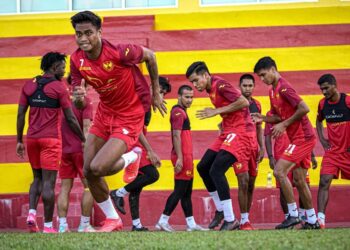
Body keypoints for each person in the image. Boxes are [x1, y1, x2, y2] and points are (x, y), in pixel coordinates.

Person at [70, 11, 166, 232]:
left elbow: (151, 56)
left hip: (130, 114)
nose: (83, 38)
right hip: (105, 113)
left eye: (88, 33)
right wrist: (78, 99)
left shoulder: (120, 52)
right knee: (88, 170)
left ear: (99, 32)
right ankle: (113, 219)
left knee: (99, 167)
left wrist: (156, 93)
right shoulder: (77, 60)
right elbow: (80, 104)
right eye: (78, 34)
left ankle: (134, 156)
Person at [16, 52, 85, 233]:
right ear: (54, 67)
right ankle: (48, 226)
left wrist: (19, 140)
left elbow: (20, 115)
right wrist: (83, 138)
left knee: (36, 178)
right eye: (62, 67)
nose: (64, 70)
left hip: (31, 139)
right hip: (51, 140)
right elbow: (70, 118)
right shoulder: (59, 87)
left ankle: (32, 214)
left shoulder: (29, 85)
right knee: (49, 183)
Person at [252, 56, 319, 229]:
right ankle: (312, 221)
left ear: (273, 70)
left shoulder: (284, 87)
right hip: (297, 138)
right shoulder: (272, 90)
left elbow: (305, 108)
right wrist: (264, 117)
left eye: (264, 75)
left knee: (279, 171)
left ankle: (293, 215)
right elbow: (278, 116)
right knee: (299, 179)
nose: (262, 79)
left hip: (304, 137)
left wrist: (284, 124)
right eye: (260, 76)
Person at [186, 62, 255, 231]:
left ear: (205, 75)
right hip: (228, 131)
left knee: (216, 170)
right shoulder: (211, 89)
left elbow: (244, 102)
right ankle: (221, 210)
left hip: (241, 132)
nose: (195, 86)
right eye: (192, 83)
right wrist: (222, 119)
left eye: (196, 81)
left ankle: (231, 219)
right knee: (203, 167)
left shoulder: (221, 85)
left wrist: (216, 111)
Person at [110, 77, 171, 231]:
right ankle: (118, 192)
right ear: (152, 87)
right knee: (152, 175)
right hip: (134, 142)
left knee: (136, 186)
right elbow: (136, 128)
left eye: (164, 94)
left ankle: (136, 225)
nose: (161, 96)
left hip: (135, 140)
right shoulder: (142, 102)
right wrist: (150, 150)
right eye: (160, 92)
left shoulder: (146, 104)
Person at [155, 85, 206, 232]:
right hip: (182, 157)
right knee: (179, 190)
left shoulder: (182, 111)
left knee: (187, 192)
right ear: (179, 97)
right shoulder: (178, 112)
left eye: (191, 97)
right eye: (186, 97)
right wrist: (180, 158)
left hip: (187, 157)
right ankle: (162, 221)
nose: (190, 100)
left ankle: (191, 224)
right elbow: (176, 136)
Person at [57, 75, 95, 233]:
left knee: (65, 189)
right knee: (89, 188)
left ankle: (62, 226)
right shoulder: (87, 103)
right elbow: (86, 129)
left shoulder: (64, 102)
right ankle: (84, 225)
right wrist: (89, 152)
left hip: (65, 151)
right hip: (80, 150)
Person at [264, 111, 318, 221]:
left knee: (303, 183)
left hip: (300, 151)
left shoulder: (297, 111)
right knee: (283, 188)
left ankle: (303, 216)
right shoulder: (270, 115)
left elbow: (307, 134)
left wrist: (312, 155)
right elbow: (267, 137)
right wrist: (270, 156)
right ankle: (289, 217)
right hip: (281, 154)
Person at [316, 74, 350, 229]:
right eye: (321, 89)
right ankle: (321, 220)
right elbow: (318, 120)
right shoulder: (322, 104)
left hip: (348, 152)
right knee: (324, 181)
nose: (323, 92)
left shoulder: (347, 101)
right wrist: (322, 140)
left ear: (335, 85)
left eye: (326, 88)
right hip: (333, 153)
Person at [238, 74, 264, 229]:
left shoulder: (257, 104)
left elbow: (259, 127)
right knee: (243, 180)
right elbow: (223, 125)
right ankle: (243, 220)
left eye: (250, 86)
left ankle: (245, 218)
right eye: (244, 86)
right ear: (239, 86)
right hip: (239, 147)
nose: (247, 88)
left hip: (254, 148)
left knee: (251, 183)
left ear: (254, 87)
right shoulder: (234, 102)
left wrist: (261, 147)